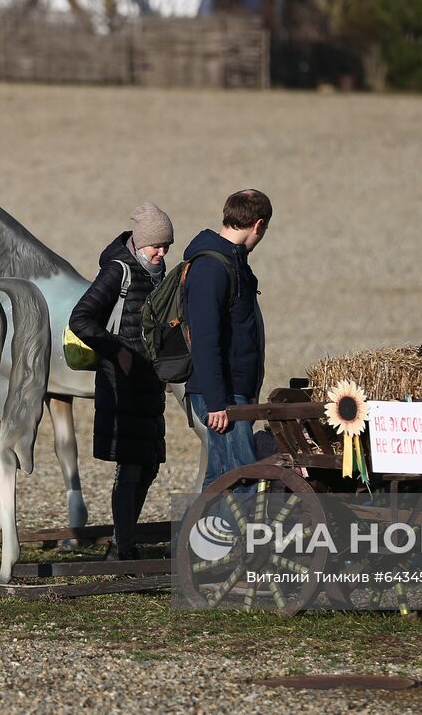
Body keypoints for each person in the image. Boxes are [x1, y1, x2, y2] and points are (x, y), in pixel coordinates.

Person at [68, 202, 174, 560]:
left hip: (149, 385)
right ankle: (123, 547)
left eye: (166, 247)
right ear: (139, 242)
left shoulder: (156, 273)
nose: (161, 253)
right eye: (156, 246)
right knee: (130, 467)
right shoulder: (118, 272)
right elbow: (80, 319)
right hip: (122, 385)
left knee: (149, 465)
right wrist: (119, 352)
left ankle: (122, 541)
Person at [183, 189, 271, 490]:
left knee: (222, 478)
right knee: (242, 477)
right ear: (258, 225)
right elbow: (205, 340)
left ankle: (198, 536)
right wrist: (218, 402)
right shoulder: (212, 268)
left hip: (232, 393)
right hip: (222, 396)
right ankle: (242, 538)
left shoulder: (233, 262)